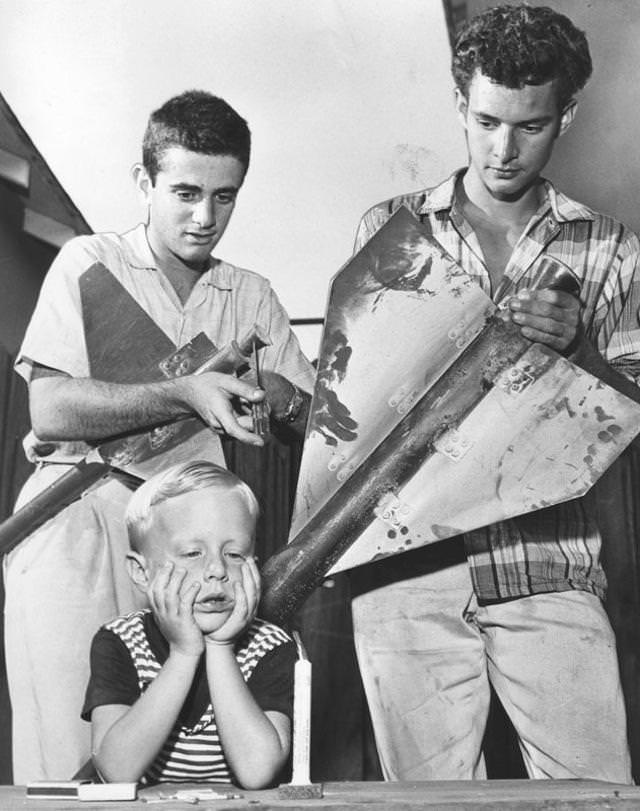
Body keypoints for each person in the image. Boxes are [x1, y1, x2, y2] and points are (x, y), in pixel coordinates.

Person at [349, 4, 640, 783]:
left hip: (548, 560)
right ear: (458, 105)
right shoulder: (390, 229)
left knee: (597, 794)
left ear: (566, 117)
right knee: (426, 805)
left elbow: (634, 414)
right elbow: (355, 417)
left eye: (530, 126)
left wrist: (577, 348)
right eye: (485, 121)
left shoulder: (609, 247)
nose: (503, 148)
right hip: (404, 568)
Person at [4, 90, 314, 782]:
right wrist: (184, 391)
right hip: (75, 517)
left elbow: (312, 418)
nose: (205, 217)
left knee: (179, 752)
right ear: (143, 183)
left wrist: (279, 393)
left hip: (188, 539)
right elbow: (50, 409)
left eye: (225, 196)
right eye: (185, 191)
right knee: (67, 761)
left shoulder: (250, 295)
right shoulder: (89, 261)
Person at [82, 460, 294, 788]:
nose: (216, 569)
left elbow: (257, 772)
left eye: (235, 554)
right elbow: (116, 771)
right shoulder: (119, 641)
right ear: (142, 572)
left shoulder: (272, 646)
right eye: (193, 553)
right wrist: (183, 653)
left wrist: (220, 647)